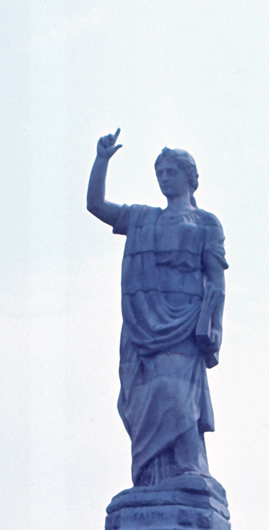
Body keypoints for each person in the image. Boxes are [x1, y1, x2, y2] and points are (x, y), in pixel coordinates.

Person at [87, 131, 227, 486]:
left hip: (186, 320)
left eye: (171, 172)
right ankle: (154, 477)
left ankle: (189, 466)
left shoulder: (206, 223)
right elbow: (97, 206)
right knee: (148, 396)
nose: (165, 179)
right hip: (143, 321)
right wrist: (101, 160)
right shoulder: (142, 218)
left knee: (178, 394)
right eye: (160, 173)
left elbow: (215, 278)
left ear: (189, 177)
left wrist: (215, 327)